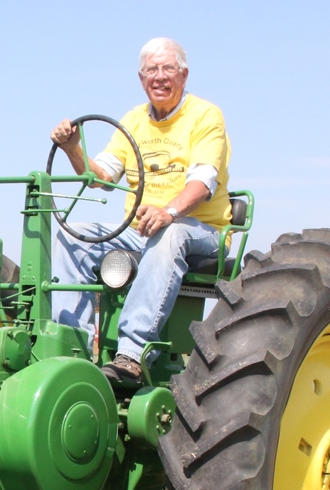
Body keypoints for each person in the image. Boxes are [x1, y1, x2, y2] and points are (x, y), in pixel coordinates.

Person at [49, 37, 232, 385]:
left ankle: (132, 355)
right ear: (141, 78)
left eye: (168, 69)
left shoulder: (205, 116)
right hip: (142, 229)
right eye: (152, 70)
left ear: (184, 75)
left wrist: (169, 211)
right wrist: (73, 148)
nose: (159, 77)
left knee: (170, 233)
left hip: (200, 230)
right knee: (75, 235)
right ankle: (68, 352)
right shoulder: (133, 120)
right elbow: (100, 177)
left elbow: (203, 182)